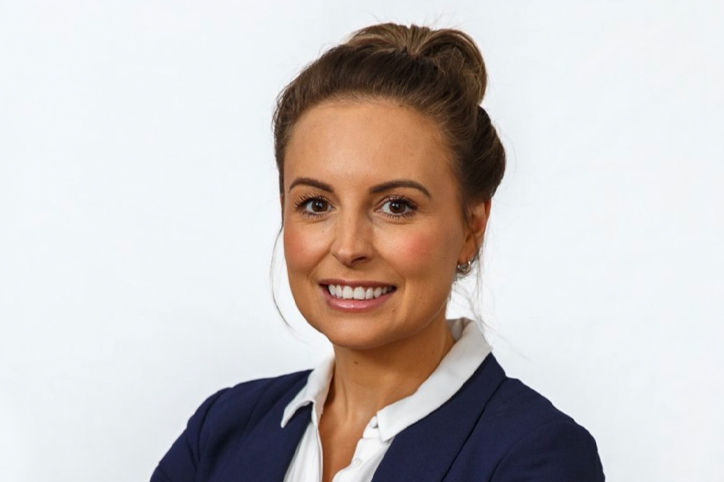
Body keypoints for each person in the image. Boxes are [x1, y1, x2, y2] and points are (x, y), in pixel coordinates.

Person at [150, 22, 605, 482]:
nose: (349, 247)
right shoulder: (221, 432)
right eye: (316, 204)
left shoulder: (537, 457)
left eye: (396, 206)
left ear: (471, 228)